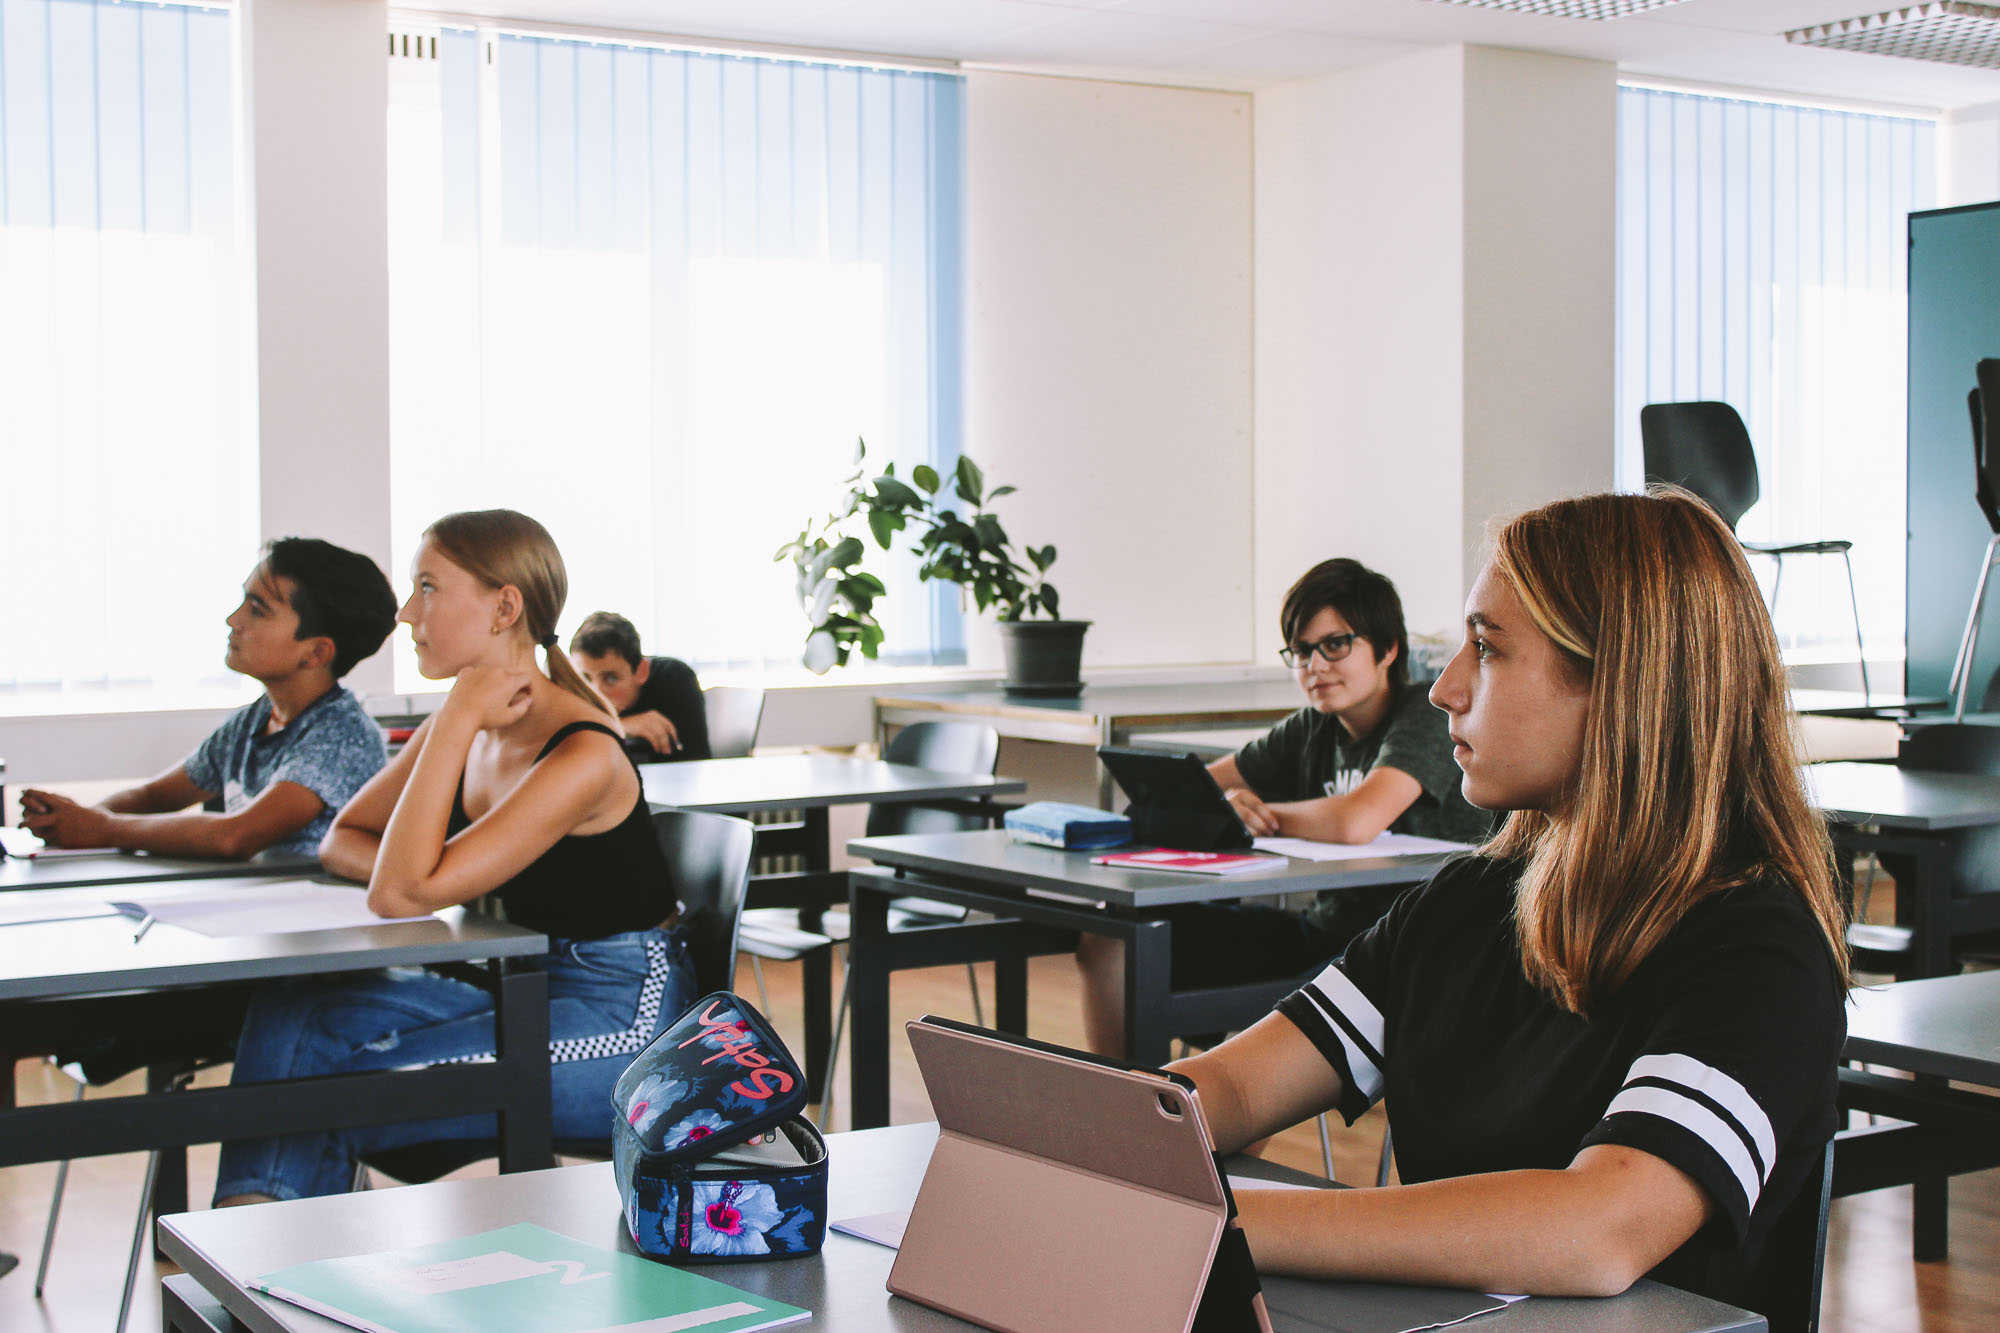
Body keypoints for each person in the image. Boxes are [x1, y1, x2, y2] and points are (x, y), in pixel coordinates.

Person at [1172, 490, 1850, 1318]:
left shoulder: (1760, 953)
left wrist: (1227, 1219)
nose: (1445, 688)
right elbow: (1231, 1089)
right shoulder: (1465, 903)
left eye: (1487, 649)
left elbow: (1597, 1227)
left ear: (1622, 682)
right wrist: (1079, 1131)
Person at [211, 510, 695, 1204]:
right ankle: (252, 1251)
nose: (408, 612)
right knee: (299, 1010)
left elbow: (399, 893)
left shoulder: (582, 751)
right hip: (520, 978)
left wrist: (459, 720)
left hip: (628, 1020)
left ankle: (271, 1271)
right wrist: (455, 729)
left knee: (345, 1094)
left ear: (504, 606)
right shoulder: (465, 720)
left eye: (428, 587)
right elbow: (343, 836)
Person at [1077, 558, 1490, 1054]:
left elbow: (1356, 820)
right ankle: (1126, 1113)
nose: (1314, 666)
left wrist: (1255, 816)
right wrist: (1228, 803)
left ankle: (1205, 1126)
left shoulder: (1425, 714)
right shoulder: (1312, 727)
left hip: (1412, 947)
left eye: (1335, 645)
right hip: (1324, 932)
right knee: (1116, 941)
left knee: (1285, 1017)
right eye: (1300, 651)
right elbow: (1192, 789)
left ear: (1387, 649)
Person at [18, 538, 397, 859]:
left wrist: (105, 829)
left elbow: (236, 836)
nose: (234, 620)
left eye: (257, 610)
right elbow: (152, 796)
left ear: (315, 653)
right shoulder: (257, 720)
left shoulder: (342, 737)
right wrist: (74, 822)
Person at [568, 611, 711, 763]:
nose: (596, 693)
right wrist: (620, 726)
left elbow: (696, 762)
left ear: (642, 671)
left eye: (610, 679)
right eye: (584, 678)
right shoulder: (567, 686)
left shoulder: (674, 679)